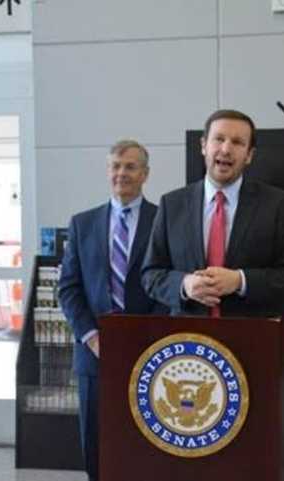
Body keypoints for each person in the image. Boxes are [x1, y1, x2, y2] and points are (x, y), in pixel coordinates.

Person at [58, 139, 165, 481]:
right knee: (96, 440)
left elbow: (168, 285)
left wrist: (147, 338)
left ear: (145, 174)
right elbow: (69, 288)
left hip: (149, 352)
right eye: (116, 166)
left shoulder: (164, 221)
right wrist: (91, 337)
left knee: (147, 438)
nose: (122, 173)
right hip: (94, 355)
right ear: (108, 171)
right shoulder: (82, 223)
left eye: (131, 166)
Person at [141, 109, 284, 317]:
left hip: (251, 338)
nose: (226, 149)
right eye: (219, 139)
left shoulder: (276, 204)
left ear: (249, 155)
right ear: (204, 146)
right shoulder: (172, 204)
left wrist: (240, 281)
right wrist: (184, 285)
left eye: (238, 142)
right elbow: (151, 275)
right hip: (188, 341)